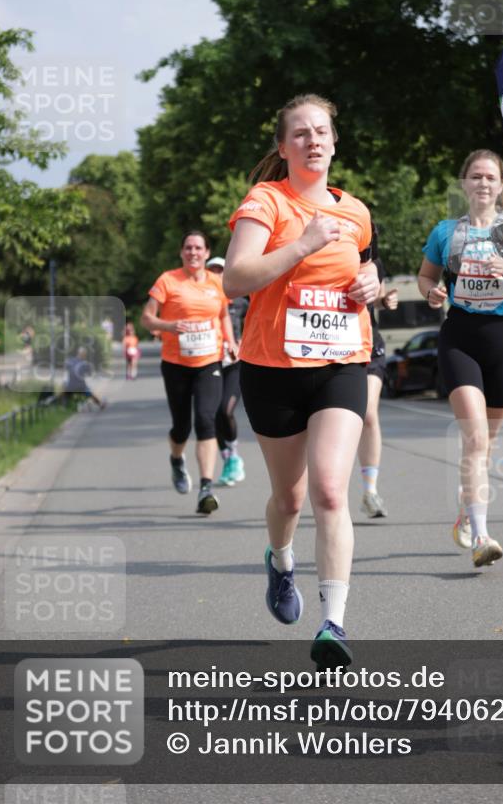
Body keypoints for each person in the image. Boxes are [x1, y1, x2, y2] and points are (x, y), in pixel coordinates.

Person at [224, 94, 379, 668]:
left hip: (341, 364)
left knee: (330, 491)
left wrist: (372, 283)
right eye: (300, 133)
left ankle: (333, 623)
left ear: (334, 142)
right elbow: (235, 280)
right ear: (284, 147)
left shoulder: (356, 211)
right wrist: (303, 244)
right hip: (272, 369)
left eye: (322, 131)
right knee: (288, 497)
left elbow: (366, 264)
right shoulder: (265, 202)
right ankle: (281, 561)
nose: (313, 140)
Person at [418, 149, 503, 568]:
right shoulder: (445, 232)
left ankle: (467, 507)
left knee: (486, 443)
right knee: (475, 438)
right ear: (464, 183)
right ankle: (481, 536)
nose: (482, 183)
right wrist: (431, 291)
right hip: (460, 336)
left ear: (501, 186)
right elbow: (426, 274)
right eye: (475, 176)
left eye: (490, 178)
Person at [141, 231, 235, 515]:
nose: (193, 252)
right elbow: (146, 318)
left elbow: (223, 315)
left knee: (206, 419)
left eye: (198, 248)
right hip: (176, 363)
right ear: (181, 252)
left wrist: (230, 340)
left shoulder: (217, 282)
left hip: (209, 361)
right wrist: (169, 326)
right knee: (181, 427)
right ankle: (176, 459)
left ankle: (206, 487)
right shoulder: (167, 281)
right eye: (188, 248)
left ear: (207, 253)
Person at [358, 225, 398, 518]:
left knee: (369, 413)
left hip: (370, 344)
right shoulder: (327, 254)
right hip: (333, 347)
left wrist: (386, 301)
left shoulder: (376, 265)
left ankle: (370, 491)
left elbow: (379, 297)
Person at [205, 257, 248, 487]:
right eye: (212, 271)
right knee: (212, 415)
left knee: (225, 410)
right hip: (209, 362)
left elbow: (255, 322)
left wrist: (242, 341)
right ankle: (229, 459)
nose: (217, 275)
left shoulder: (241, 301)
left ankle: (233, 453)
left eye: (221, 270)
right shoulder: (203, 300)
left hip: (234, 363)